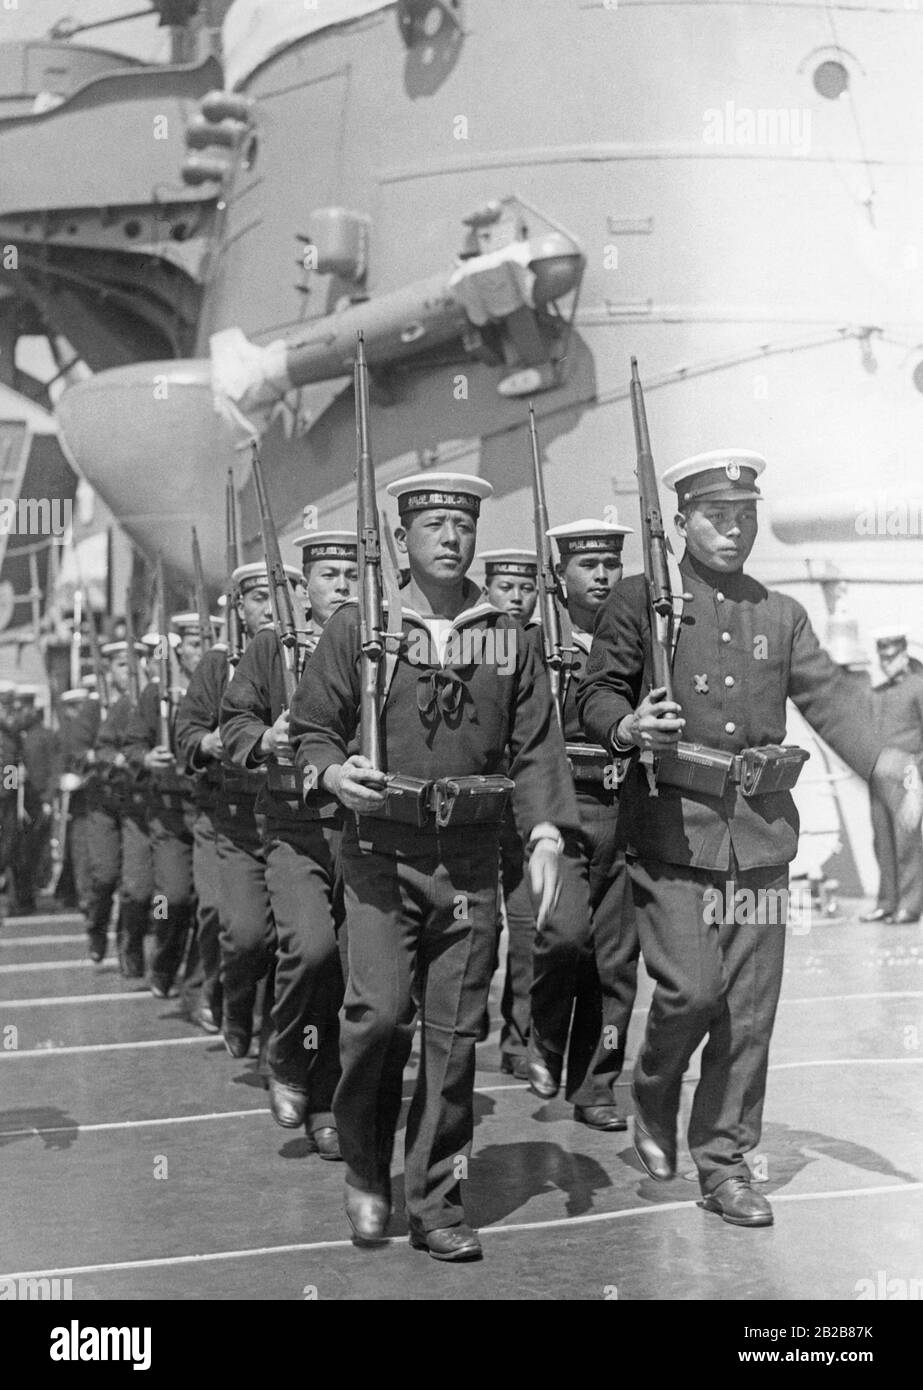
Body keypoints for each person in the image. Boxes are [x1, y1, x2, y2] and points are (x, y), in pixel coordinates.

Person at [578, 449, 912, 1228]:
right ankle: (654, 1091)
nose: (733, 531)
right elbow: (595, 690)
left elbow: (830, 699)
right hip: (669, 836)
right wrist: (626, 725)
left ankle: (724, 1162)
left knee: (749, 1015)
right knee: (692, 991)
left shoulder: (778, 613)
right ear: (682, 523)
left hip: (759, 841)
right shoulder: (640, 604)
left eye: (744, 517)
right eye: (715, 518)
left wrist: (886, 764)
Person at [290, 473, 579, 1261]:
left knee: (453, 1041)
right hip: (381, 855)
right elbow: (312, 728)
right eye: (434, 524)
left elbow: (535, 746)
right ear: (400, 539)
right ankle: (365, 1170)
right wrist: (330, 772)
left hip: (468, 864)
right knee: (376, 1019)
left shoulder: (507, 634)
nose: (450, 537)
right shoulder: (362, 629)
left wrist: (547, 831)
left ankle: (437, 1200)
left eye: (462, 523)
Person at [221, 536, 357, 1158]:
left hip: (367, 830)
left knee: (358, 972)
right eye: (330, 574)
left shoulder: (382, 639)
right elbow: (234, 722)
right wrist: (266, 736)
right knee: (311, 949)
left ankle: (328, 1100)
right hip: (295, 825)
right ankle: (287, 1055)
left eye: (356, 573)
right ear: (305, 585)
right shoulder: (273, 646)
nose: (344, 585)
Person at [528, 518, 640, 1131]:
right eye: (587, 566)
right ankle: (544, 1035)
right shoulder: (530, 640)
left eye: (610, 565)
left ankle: (597, 1083)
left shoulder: (638, 638)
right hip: (562, 804)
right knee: (563, 935)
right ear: (560, 575)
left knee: (616, 961)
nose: (601, 576)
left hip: (624, 807)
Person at [176, 577, 274, 1049]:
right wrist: (207, 742)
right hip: (230, 816)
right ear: (239, 608)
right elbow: (188, 729)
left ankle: (282, 1037)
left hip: (294, 815)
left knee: (300, 941)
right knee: (241, 931)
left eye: (280, 595)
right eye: (259, 599)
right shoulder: (219, 663)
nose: (272, 608)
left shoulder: (301, 652)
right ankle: (234, 1003)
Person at [478, 549, 540, 1079]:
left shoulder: (544, 644)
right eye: (506, 587)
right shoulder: (479, 638)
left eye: (526, 588)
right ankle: (464, 1016)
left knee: (527, 925)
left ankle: (519, 1037)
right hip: (479, 801)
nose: (517, 598)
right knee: (479, 923)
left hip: (524, 803)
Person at [125, 614, 205, 997]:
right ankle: (163, 960)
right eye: (191, 645)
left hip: (209, 810)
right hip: (169, 812)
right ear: (179, 649)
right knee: (170, 897)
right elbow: (132, 743)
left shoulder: (225, 685)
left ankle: (197, 987)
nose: (198, 652)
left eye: (205, 642)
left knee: (210, 904)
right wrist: (145, 758)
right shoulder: (157, 692)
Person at [93, 641, 154, 977]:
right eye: (118, 665)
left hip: (140, 804)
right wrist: (116, 759)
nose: (128, 671)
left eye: (134, 663)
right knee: (105, 876)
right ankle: (98, 931)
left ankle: (130, 944)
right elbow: (99, 751)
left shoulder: (146, 698)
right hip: (106, 804)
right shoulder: (117, 707)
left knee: (139, 887)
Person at [860, 628, 923, 925]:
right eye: (882, 658)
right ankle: (887, 902)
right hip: (879, 775)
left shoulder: (918, 687)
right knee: (881, 840)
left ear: (903, 655)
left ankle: (910, 906)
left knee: (907, 842)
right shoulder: (880, 692)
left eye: (891, 657)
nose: (885, 663)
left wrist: (917, 784)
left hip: (907, 774)